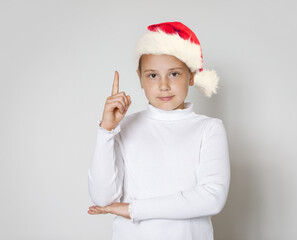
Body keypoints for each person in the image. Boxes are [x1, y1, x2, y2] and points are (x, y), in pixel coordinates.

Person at [87, 21, 230, 240]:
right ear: (140, 78)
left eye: (174, 74)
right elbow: (103, 199)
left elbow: (212, 198)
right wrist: (106, 130)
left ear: (191, 76)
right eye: (153, 75)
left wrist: (133, 209)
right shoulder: (123, 127)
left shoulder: (209, 129)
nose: (163, 85)